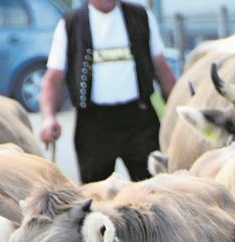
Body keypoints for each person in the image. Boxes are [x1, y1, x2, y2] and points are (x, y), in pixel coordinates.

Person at [39, 0, 176, 183]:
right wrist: (49, 117)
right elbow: (53, 78)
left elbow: (161, 67)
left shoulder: (141, 16)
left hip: (140, 120)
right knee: (95, 196)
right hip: (93, 125)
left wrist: (177, 110)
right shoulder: (71, 23)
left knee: (154, 188)